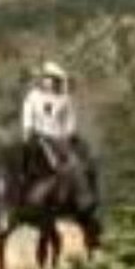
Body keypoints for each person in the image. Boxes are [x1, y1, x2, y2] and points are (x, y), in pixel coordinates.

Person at [21, 61, 96, 208]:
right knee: (22, 160)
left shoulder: (64, 99)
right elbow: (27, 115)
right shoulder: (33, 96)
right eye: (47, 78)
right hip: (38, 135)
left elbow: (70, 120)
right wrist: (28, 130)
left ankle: (84, 196)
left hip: (59, 138)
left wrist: (67, 135)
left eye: (54, 79)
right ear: (42, 79)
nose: (50, 82)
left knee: (75, 163)